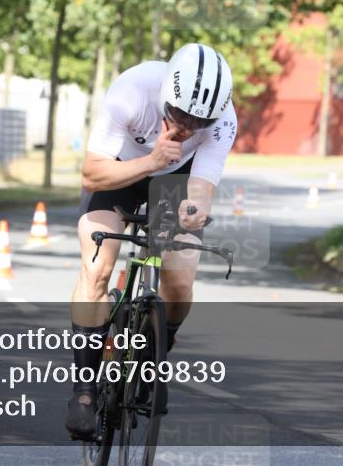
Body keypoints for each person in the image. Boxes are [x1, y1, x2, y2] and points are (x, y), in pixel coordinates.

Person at [66, 42, 237, 439]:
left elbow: (201, 188)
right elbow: (91, 175)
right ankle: (85, 392)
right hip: (119, 170)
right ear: (165, 95)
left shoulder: (224, 120)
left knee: (179, 279)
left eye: (200, 122)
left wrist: (192, 211)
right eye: (179, 114)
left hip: (173, 180)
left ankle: (154, 351)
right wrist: (153, 160)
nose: (188, 126)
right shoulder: (133, 91)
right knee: (97, 267)